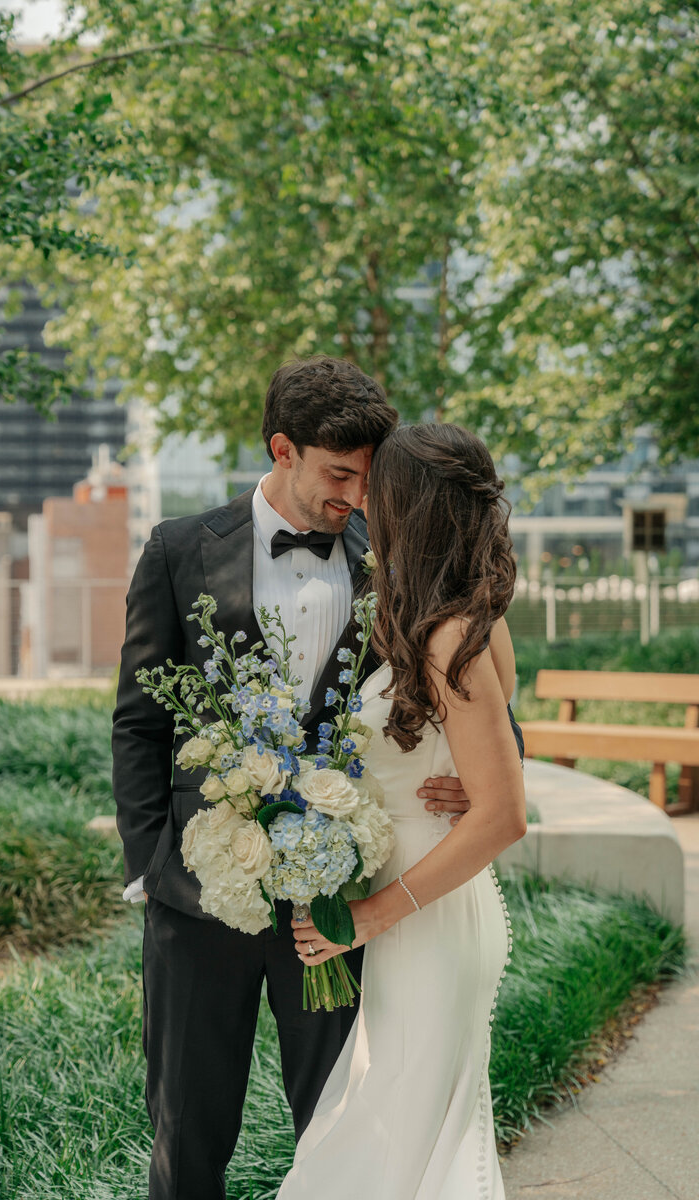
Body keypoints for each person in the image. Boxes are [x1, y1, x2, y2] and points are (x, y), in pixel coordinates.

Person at [112, 359, 504, 1200]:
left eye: (369, 479)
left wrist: (473, 780)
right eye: (339, 475)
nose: (357, 497)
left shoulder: (400, 562)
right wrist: (154, 869)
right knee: (187, 1127)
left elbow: (480, 695)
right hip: (202, 890)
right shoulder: (180, 550)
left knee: (338, 1125)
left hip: (341, 898)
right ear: (282, 448)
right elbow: (139, 722)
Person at [281, 422, 526, 1200]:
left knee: (391, 1143)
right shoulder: (444, 616)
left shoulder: (454, 630)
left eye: (374, 492)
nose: (359, 505)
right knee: (402, 1138)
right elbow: (474, 768)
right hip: (419, 916)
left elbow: (503, 814)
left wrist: (375, 913)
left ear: (408, 509)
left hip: (427, 921)